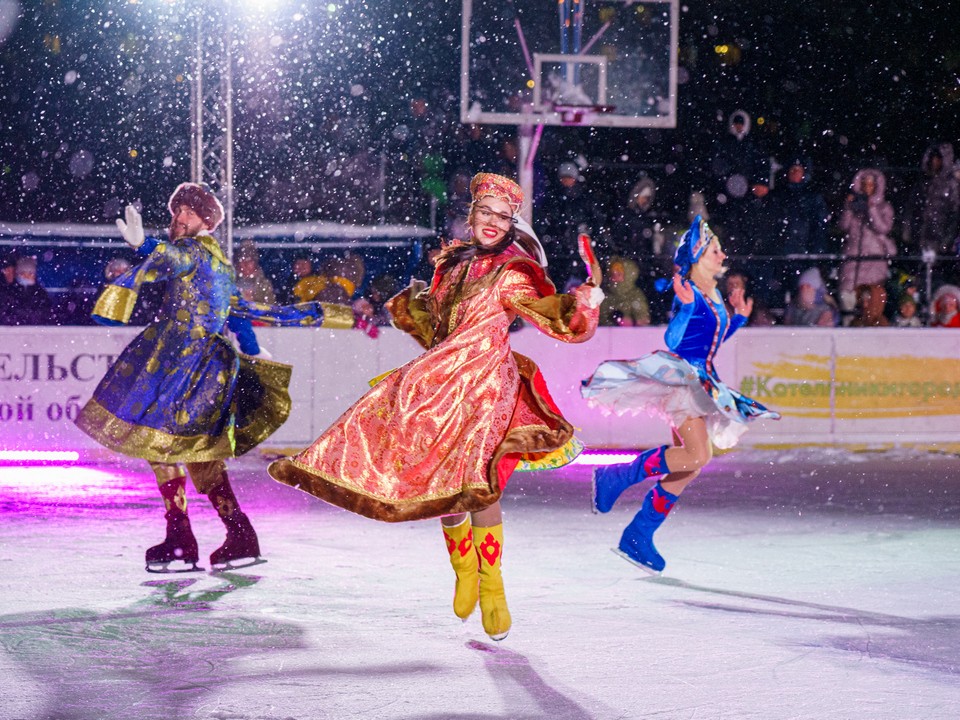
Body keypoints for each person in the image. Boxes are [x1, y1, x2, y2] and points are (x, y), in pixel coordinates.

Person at [269, 173, 602, 640]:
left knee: (480, 487)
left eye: (502, 215)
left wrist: (584, 302)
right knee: (440, 488)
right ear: (472, 215)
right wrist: (417, 304)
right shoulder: (453, 264)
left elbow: (554, 318)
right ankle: (463, 567)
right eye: (485, 211)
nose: (492, 221)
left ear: (512, 223)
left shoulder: (514, 273)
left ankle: (492, 585)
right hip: (440, 386)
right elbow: (443, 326)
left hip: (487, 388)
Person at [75, 182, 377, 573]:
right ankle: (235, 534)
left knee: (162, 444)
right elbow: (237, 311)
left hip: (183, 362)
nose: (179, 218)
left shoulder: (193, 251)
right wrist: (253, 347)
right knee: (196, 452)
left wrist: (143, 246)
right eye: (177, 211)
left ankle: (184, 537)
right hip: (201, 364)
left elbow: (172, 256)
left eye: (188, 213)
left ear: (206, 222)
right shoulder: (220, 263)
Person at [581, 216, 779, 574]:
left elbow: (707, 342)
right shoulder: (687, 289)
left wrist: (737, 320)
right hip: (682, 384)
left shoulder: (712, 293)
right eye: (715, 250)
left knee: (690, 464)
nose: (722, 256)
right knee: (697, 454)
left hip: (702, 381)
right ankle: (616, 478)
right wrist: (686, 308)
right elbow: (674, 341)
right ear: (699, 255)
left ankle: (639, 534)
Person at [838, 168, 896, 321]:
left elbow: (883, 228)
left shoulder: (884, 207)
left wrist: (872, 209)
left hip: (873, 258)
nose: (867, 188)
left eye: (871, 185)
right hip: (853, 257)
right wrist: (848, 207)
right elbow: (843, 226)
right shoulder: (854, 206)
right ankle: (848, 326)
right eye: (864, 184)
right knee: (847, 296)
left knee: (871, 298)